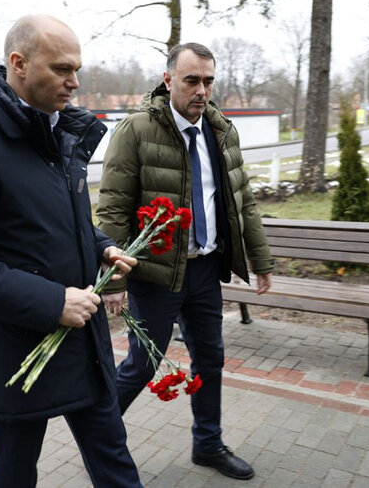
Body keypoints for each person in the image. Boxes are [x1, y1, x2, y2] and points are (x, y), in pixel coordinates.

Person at [0, 14, 142, 488]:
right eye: (62, 69)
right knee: (15, 474)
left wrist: (100, 246)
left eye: (77, 69)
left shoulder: (58, 134)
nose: (75, 82)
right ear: (19, 64)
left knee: (117, 465)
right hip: (19, 353)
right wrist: (52, 302)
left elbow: (61, 223)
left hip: (83, 346)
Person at [96, 42, 274, 481]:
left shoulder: (221, 131)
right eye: (192, 80)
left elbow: (242, 202)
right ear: (168, 79)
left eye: (208, 81)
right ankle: (98, 443)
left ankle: (208, 445)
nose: (201, 90)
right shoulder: (136, 130)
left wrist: (261, 259)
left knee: (210, 359)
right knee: (143, 364)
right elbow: (113, 209)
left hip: (204, 271)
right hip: (155, 275)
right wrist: (115, 278)